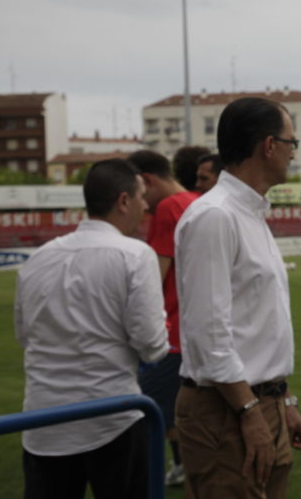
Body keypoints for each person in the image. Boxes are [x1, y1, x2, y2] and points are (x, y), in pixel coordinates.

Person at [174, 97, 301, 498]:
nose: (292, 153)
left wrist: (282, 399)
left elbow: (257, 326)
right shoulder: (215, 216)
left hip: (256, 402)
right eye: (291, 143)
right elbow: (207, 332)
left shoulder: (248, 214)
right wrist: (249, 412)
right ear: (269, 146)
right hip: (226, 408)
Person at [15, 158, 169, 499]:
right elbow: (151, 344)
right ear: (123, 201)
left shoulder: (39, 257)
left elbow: (25, 335)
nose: (146, 206)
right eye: (141, 196)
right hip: (111, 419)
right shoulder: (134, 254)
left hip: (42, 421)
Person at [127, 149, 200, 486]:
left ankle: (180, 468)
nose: (142, 202)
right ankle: (187, 465)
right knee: (179, 407)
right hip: (195, 326)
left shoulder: (169, 208)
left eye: (140, 191)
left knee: (152, 409)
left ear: (148, 180)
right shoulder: (195, 201)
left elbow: (153, 278)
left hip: (172, 331)